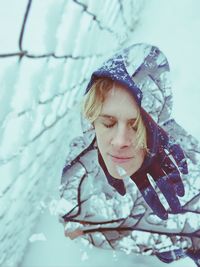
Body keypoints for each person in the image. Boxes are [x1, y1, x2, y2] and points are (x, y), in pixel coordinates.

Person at [58, 43, 200, 265]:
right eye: (107, 123)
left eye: (136, 125)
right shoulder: (77, 171)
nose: (121, 141)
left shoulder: (189, 171)